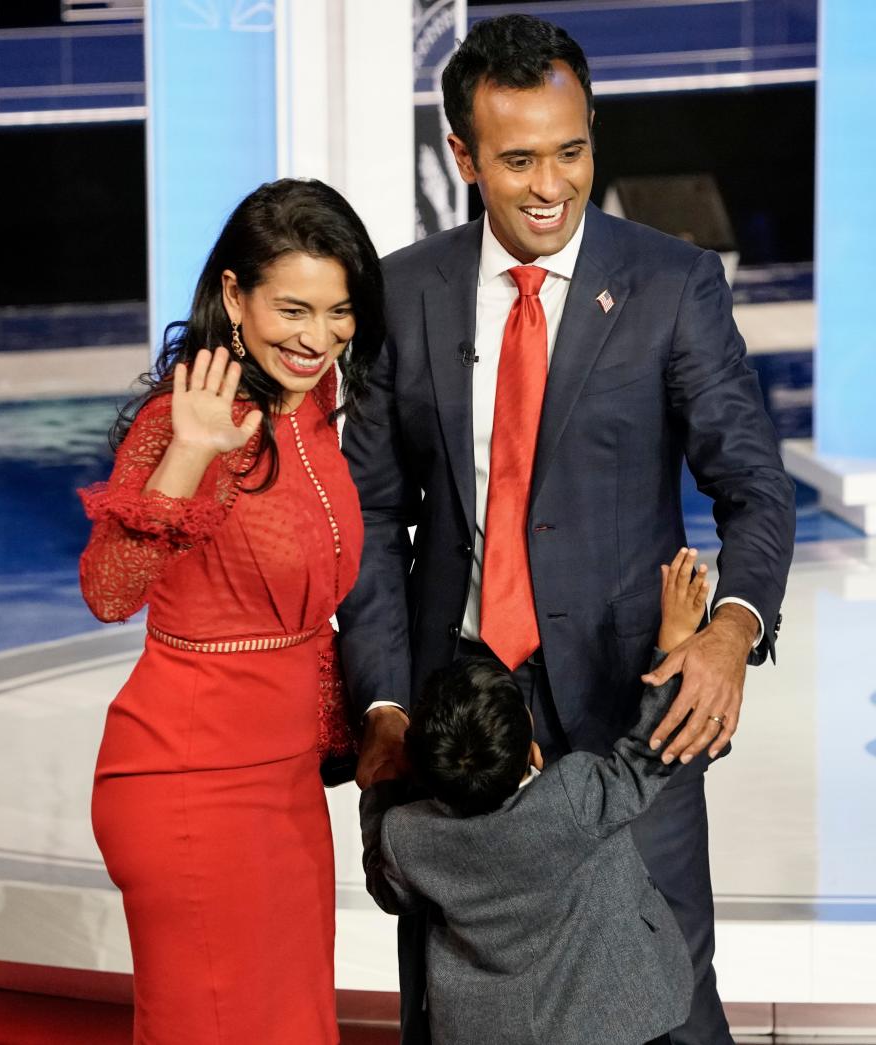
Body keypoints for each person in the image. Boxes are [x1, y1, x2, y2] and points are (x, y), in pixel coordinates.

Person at [336, 14, 796, 1045]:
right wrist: (381, 694)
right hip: (452, 710)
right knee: (452, 999)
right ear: (463, 155)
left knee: (673, 992)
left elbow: (756, 488)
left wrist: (728, 631)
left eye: (573, 149)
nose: (552, 185)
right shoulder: (402, 293)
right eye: (519, 159)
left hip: (637, 694)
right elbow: (370, 509)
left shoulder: (674, 284)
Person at [78, 178, 383, 1044]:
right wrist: (188, 453)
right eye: (293, 309)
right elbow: (109, 589)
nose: (318, 338)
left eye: (340, 312)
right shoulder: (186, 420)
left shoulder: (319, 406)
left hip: (285, 786)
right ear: (233, 297)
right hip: (189, 785)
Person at [361, 549, 711, 1045]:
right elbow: (648, 756)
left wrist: (381, 789)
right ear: (532, 747)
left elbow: (387, 889)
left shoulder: (408, 837)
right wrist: (673, 641)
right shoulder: (574, 799)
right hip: (616, 1021)